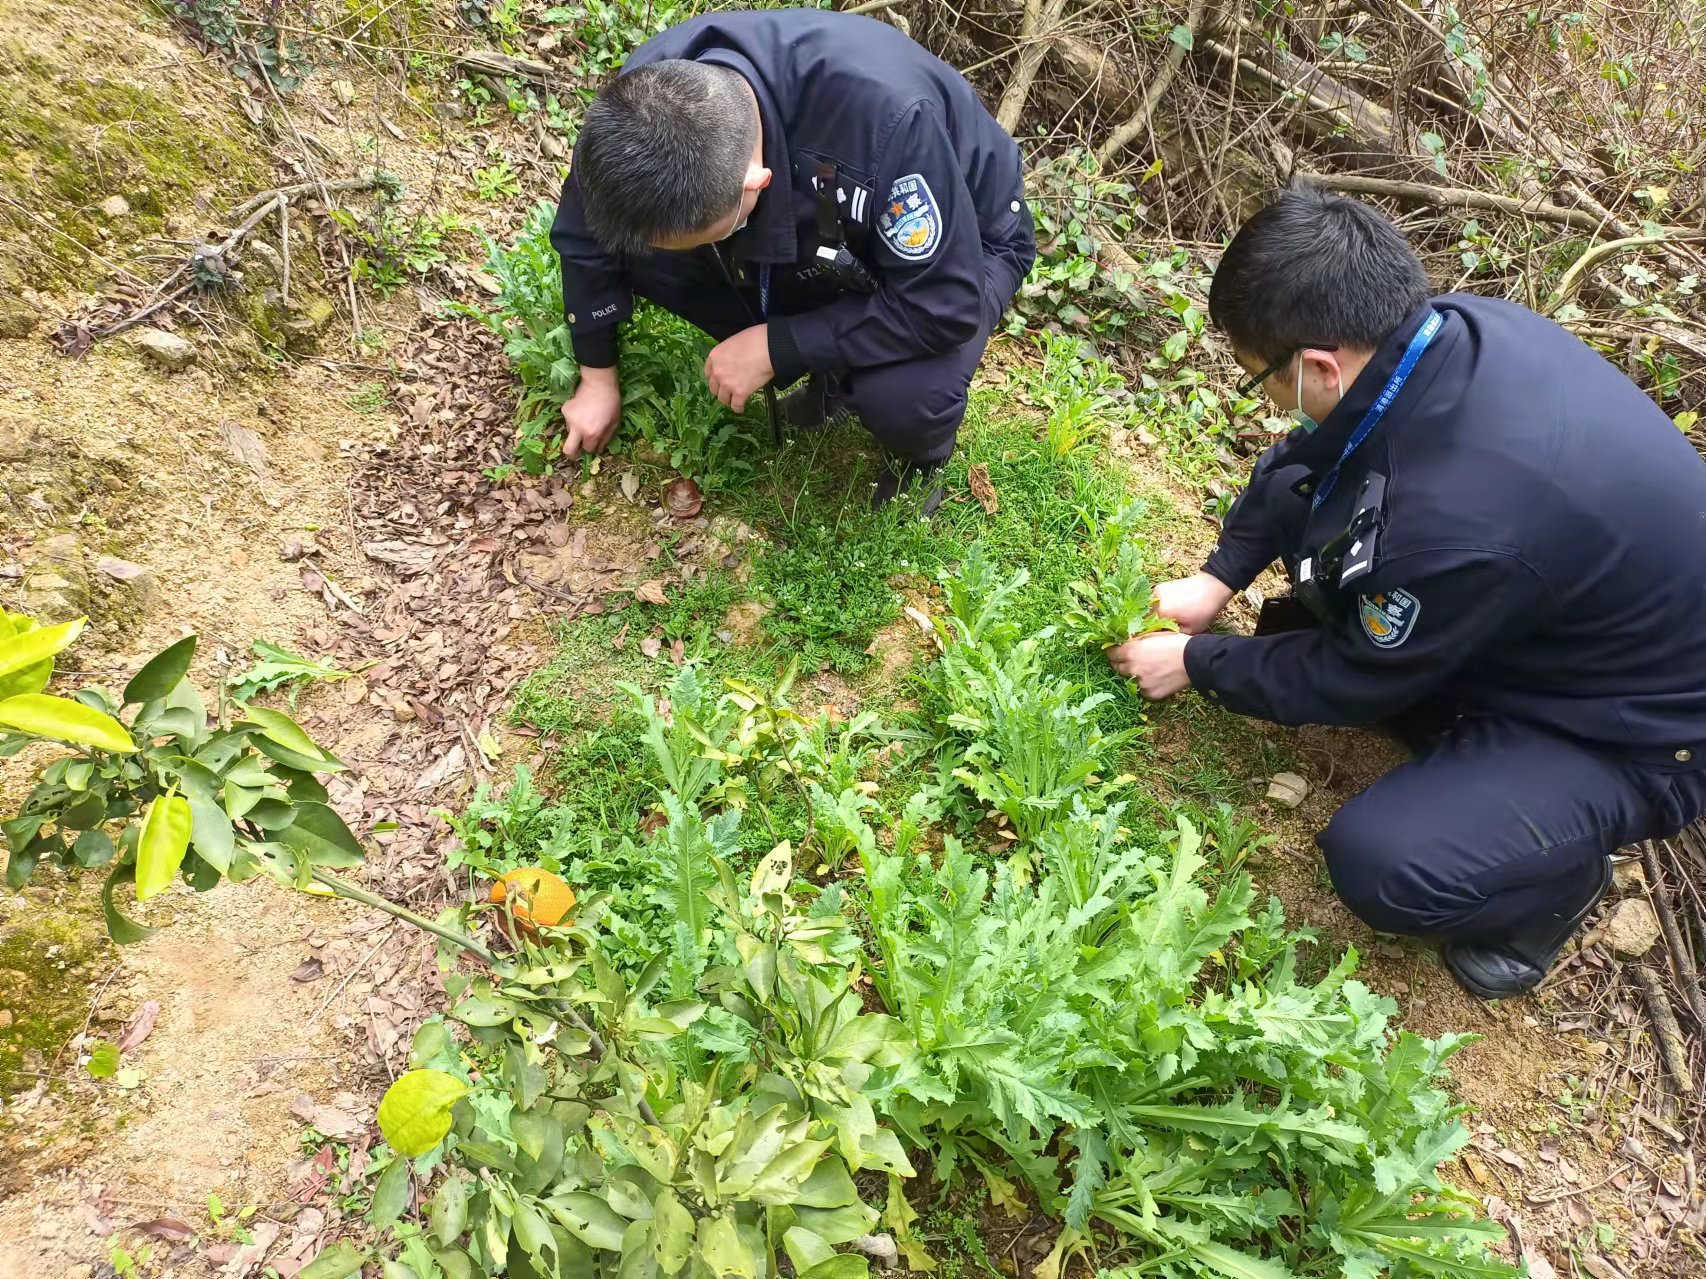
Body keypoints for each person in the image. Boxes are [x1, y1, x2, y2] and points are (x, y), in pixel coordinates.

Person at [1110, 185, 1706, 999]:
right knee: (1310, 611)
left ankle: (1553, 888)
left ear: (1320, 364)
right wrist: (1218, 578)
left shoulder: (1459, 521)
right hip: (1557, 614)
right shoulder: (1436, 338)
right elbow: (1306, 461)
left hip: (1635, 731)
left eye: (1262, 380)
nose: (1271, 400)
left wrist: (1195, 662)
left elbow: (1347, 677)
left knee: (1382, 862)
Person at [549, 7, 1036, 508]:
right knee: (658, 258)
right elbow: (584, 234)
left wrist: (781, 345)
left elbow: (943, 305)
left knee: (904, 396)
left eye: (707, 234)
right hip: (822, 207)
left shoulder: (889, 121)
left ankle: (919, 454)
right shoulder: (639, 106)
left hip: (965, 240)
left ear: (754, 184)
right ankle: (829, 366)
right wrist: (597, 376)